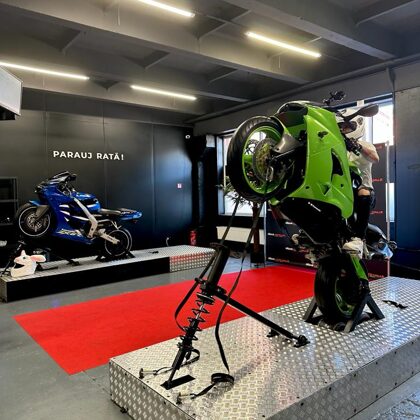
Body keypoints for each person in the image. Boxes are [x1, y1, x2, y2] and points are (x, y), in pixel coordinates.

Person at [340, 111, 379, 258]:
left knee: (363, 191)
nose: (344, 129)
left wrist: (358, 146)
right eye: (343, 127)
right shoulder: (339, 146)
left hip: (364, 192)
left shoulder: (366, 145)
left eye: (348, 127)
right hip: (345, 191)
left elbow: (375, 158)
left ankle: (358, 239)